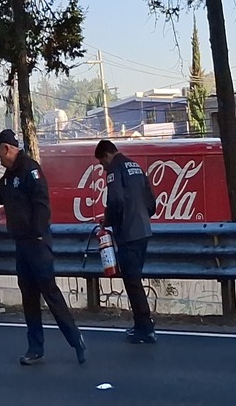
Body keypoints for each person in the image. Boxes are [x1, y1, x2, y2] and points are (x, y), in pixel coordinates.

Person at [0, 128, 86, 366]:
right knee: (29, 298)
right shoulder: (10, 174)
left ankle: (76, 341)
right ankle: (35, 348)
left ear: (8, 148)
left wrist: (39, 233)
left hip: (37, 244)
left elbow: (42, 203)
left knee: (50, 294)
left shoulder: (30, 169)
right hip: (21, 245)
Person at [95, 139, 157, 344]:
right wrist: (141, 216)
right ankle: (141, 324)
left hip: (128, 233)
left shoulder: (114, 170)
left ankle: (145, 328)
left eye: (102, 163)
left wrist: (109, 220)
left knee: (132, 282)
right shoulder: (136, 166)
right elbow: (151, 203)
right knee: (135, 279)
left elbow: (116, 201)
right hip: (144, 231)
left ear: (106, 155)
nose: (103, 167)